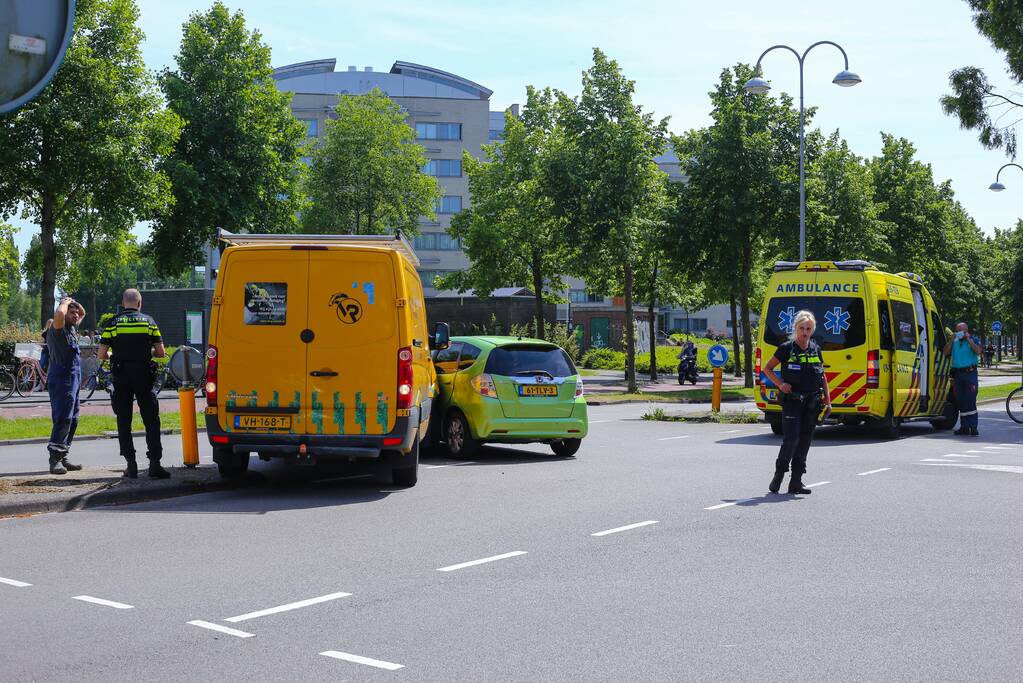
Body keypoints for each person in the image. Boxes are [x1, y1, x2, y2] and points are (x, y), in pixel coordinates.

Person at [97, 289, 168, 479]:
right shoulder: (149, 322)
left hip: (122, 376)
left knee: (124, 420)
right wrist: (145, 353)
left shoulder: (113, 323)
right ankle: (155, 465)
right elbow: (161, 352)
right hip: (144, 375)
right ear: (139, 303)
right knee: (151, 420)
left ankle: (131, 465)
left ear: (123, 303)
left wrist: (115, 354)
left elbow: (101, 354)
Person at [761, 310, 832, 495]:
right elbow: (767, 369)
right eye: (802, 328)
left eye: (808, 329)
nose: (805, 332)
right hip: (792, 401)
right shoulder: (786, 348)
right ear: (796, 328)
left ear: (812, 330)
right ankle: (779, 474)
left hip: (812, 403)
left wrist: (828, 401)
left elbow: (823, 376)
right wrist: (780, 384)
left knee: (805, 441)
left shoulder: (815, 349)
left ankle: (796, 482)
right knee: (791, 439)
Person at [45, 300, 86, 474]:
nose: (76, 315)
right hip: (62, 380)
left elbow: (83, 313)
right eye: (72, 312)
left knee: (73, 419)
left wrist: (75, 303)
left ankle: (63, 455)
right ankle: (54, 459)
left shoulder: (72, 329)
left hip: (73, 380)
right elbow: (60, 314)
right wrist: (65, 302)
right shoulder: (58, 330)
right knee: (63, 418)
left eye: (75, 313)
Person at [944, 322, 981, 436]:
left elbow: (978, 351)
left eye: (961, 330)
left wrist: (968, 339)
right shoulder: (954, 341)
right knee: (961, 400)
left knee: (970, 399)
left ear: (966, 330)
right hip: (958, 375)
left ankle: (973, 427)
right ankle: (964, 427)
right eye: (957, 330)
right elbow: (946, 352)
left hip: (970, 373)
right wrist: (951, 340)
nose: (959, 332)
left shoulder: (973, 339)